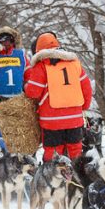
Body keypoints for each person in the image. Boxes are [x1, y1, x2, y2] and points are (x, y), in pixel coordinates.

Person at [24, 32, 92, 162]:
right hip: (75, 120)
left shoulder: (42, 65)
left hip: (52, 121)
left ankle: (53, 179)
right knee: (76, 152)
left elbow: (33, 92)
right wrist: (83, 107)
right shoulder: (74, 63)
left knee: (53, 154)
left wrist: (26, 86)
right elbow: (86, 88)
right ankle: (76, 179)